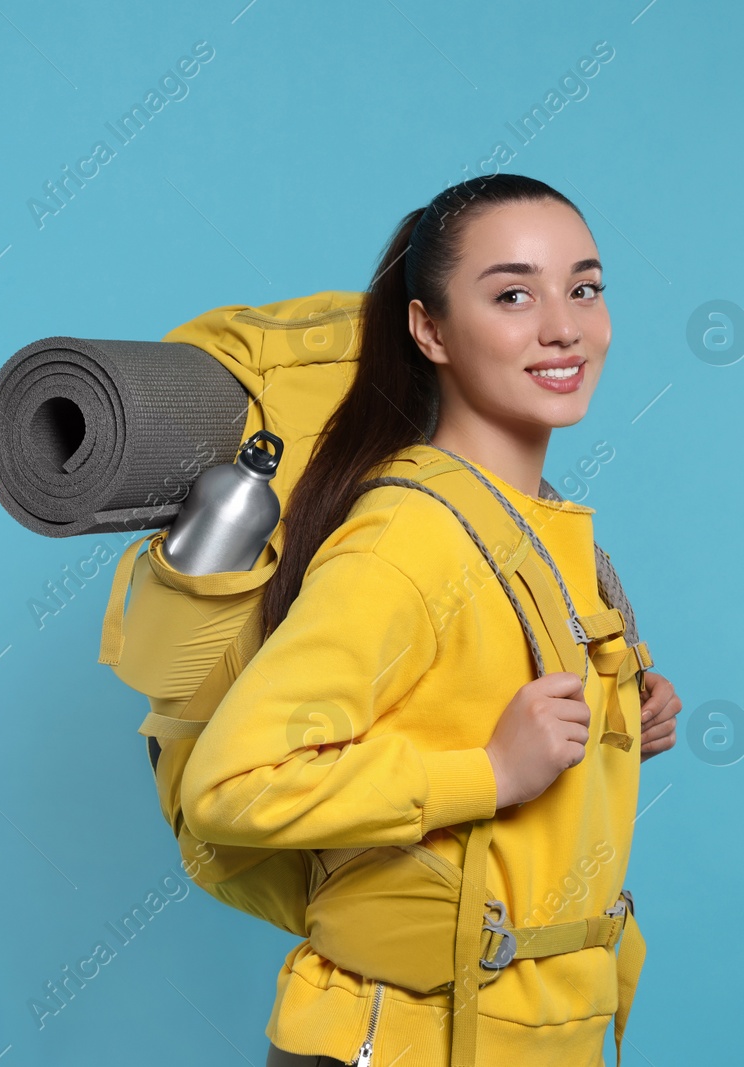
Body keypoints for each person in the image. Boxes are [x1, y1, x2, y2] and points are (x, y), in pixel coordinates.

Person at [178, 173, 683, 1067]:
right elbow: (230, 783)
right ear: (430, 330)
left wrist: (620, 719)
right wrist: (487, 771)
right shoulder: (408, 539)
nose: (564, 325)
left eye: (586, 287)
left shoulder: (539, 525)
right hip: (406, 1042)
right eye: (514, 294)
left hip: (535, 1038)